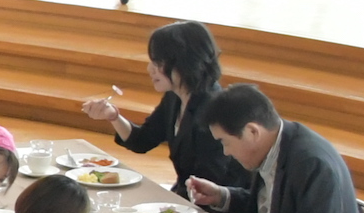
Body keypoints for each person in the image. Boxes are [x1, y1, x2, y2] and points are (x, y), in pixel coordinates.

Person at [185, 85, 364, 213]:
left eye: (225, 142)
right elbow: (277, 207)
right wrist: (222, 196)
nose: (226, 152)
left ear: (252, 132)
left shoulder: (312, 164)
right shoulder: (273, 147)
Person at [77, 19, 242, 194]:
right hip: (186, 195)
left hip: (211, 207)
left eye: (157, 62)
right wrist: (113, 116)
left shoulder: (213, 111)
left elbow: (210, 183)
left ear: (184, 62)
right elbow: (142, 141)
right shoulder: (175, 97)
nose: (150, 69)